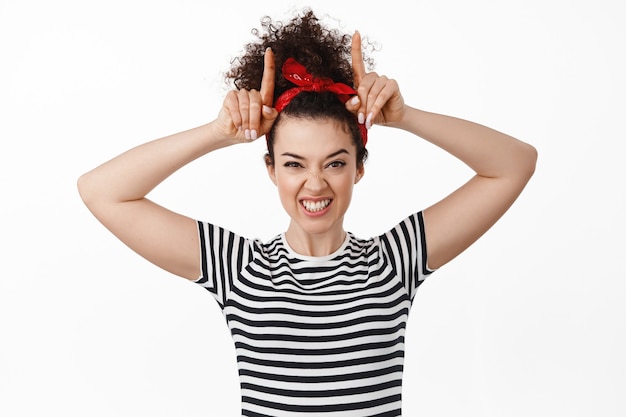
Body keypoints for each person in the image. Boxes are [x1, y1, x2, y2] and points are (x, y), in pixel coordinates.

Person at [77, 9, 537, 417]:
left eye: (335, 163)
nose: (315, 184)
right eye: (294, 164)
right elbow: (102, 191)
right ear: (271, 168)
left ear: (359, 169)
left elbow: (514, 165)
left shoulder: (393, 262)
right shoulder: (238, 269)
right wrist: (218, 132)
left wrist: (406, 116)